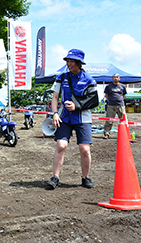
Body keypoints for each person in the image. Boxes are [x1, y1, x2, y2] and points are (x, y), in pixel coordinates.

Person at [47, 49, 96, 190]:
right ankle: (55, 177)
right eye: (67, 61)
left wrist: (77, 105)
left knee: (84, 149)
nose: (68, 64)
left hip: (83, 118)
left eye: (71, 61)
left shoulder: (89, 80)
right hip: (65, 117)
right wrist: (55, 113)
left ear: (79, 63)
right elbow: (55, 97)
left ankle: (85, 178)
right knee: (61, 146)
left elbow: (93, 100)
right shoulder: (62, 77)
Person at [103, 73, 126, 139]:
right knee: (109, 120)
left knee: (123, 120)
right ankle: (106, 134)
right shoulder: (108, 86)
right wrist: (111, 100)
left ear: (119, 78)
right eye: (114, 77)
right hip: (111, 105)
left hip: (120, 105)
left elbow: (124, 95)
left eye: (117, 77)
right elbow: (106, 95)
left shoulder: (122, 86)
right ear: (112, 78)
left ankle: (124, 134)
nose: (115, 78)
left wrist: (120, 100)